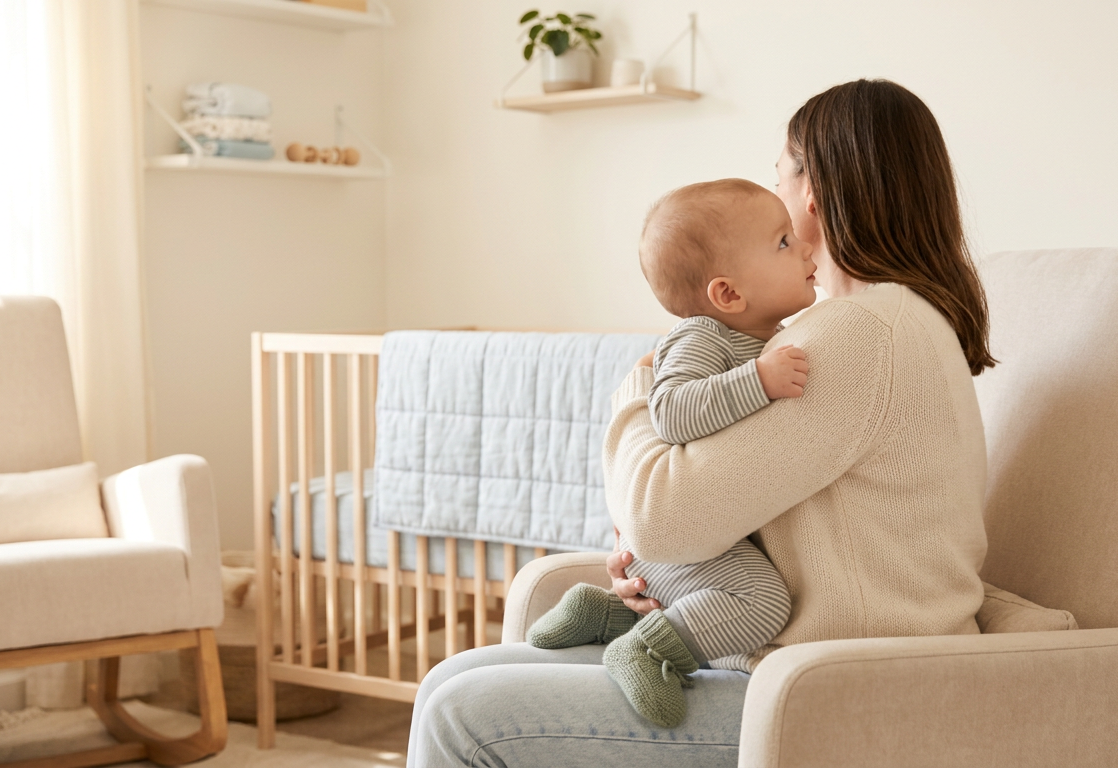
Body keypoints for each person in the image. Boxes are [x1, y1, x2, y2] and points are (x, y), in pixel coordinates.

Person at [406, 78, 996, 767]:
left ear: (811, 192)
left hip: (834, 690)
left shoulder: (858, 335)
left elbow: (660, 515)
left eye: (778, 168)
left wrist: (644, 380)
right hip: (809, 667)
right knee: (453, 679)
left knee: (460, 715)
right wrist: (684, 585)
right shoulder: (884, 324)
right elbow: (727, 515)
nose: (770, 189)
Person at [523, 178, 815, 728]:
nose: (802, 245)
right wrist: (758, 380)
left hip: (690, 538)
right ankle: (648, 651)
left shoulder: (762, 334)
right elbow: (674, 412)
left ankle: (608, 616)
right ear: (728, 294)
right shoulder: (703, 337)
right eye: (782, 242)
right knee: (762, 601)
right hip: (678, 538)